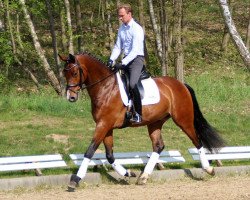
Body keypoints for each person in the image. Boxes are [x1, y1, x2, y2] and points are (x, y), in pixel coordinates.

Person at [107, 3, 145, 123]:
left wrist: (122, 62)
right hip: (126, 59)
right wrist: (111, 59)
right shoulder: (122, 29)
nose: (120, 18)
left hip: (136, 60)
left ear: (129, 14)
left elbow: (134, 51)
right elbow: (118, 47)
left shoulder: (137, 29)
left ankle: (138, 114)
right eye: (119, 16)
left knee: (133, 84)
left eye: (122, 15)